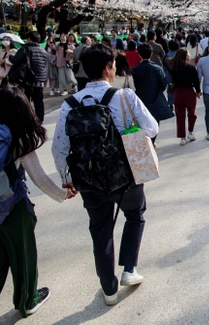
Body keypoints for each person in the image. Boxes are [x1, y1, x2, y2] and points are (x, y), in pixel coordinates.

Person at [52, 43, 157, 306]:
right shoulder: (124, 97)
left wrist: (66, 178)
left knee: (100, 229)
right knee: (134, 215)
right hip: (125, 175)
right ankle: (129, 269)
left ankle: (108, 289)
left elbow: (60, 148)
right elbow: (151, 128)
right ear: (109, 68)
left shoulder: (69, 105)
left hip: (88, 179)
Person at [0, 87, 75, 323]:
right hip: (12, 211)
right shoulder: (19, 140)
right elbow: (40, 178)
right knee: (23, 257)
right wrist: (63, 195)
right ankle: (28, 300)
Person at [131, 43, 173, 146]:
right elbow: (163, 85)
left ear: (139, 55)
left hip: (140, 98)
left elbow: (133, 86)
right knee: (154, 121)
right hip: (155, 98)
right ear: (151, 54)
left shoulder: (135, 70)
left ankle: (146, 141)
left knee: (141, 121)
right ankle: (152, 141)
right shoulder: (157, 68)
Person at [9, 32, 49, 123]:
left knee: (25, 101)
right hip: (40, 80)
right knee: (38, 101)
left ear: (29, 39)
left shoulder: (25, 49)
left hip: (27, 80)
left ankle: (27, 119)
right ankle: (40, 120)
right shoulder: (43, 51)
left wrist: (10, 56)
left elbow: (15, 61)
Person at [170, 48, 201, 146]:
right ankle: (190, 132)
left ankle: (182, 137)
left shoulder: (173, 68)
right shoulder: (191, 68)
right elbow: (196, 82)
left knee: (180, 116)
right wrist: (198, 91)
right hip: (189, 92)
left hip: (178, 92)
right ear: (185, 56)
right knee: (192, 113)